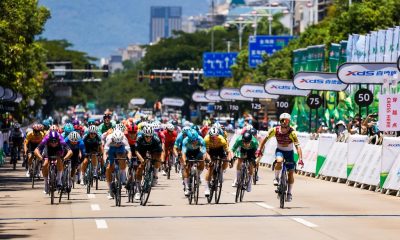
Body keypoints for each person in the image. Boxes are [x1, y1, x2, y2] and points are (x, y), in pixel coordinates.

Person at [258, 113, 303, 202]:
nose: (284, 122)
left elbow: (298, 146)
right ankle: (276, 177)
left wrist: (300, 159)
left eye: (286, 121)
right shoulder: (274, 130)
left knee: (291, 173)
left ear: (289, 122)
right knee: (279, 161)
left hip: (289, 153)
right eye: (283, 120)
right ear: (280, 121)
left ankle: (289, 192)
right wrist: (259, 149)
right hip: (280, 151)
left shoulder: (292, 132)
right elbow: (265, 139)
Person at [134, 125, 162, 200]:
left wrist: (158, 160)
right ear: (144, 135)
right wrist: (141, 159)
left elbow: (160, 152)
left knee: (157, 160)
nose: (148, 138)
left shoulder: (156, 138)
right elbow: (136, 151)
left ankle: (155, 175)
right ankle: (137, 191)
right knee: (140, 168)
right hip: (141, 150)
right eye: (146, 136)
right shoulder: (139, 137)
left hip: (153, 149)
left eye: (150, 136)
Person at [104, 130, 132, 199]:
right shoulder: (109, 139)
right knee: (108, 168)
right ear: (113, 139)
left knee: (122, 159)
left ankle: (122, 175)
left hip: (121, 149)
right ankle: (110, 190)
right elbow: (105, 153)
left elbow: (129, 152)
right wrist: (105, 161)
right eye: (116, 142)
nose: (117, 144)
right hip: (111, 149)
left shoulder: (124, 140)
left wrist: (129, 160)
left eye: (119, 142)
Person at [204, 127, 231, 196]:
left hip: (220, 149)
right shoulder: (206, 139)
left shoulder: (222, 140)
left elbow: (228, 151)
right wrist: (208, 161)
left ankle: (221, 171)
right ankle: (206, 187)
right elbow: (206, 152)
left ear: (218, 136)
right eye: (212, 137)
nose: (213, 139)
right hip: (210, 150)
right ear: (209, 136)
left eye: (215, 137)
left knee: (225, 160)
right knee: (210, 168)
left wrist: (230, 159)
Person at [181, 129, 206, 196]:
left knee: (202, 163)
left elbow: (204, 151)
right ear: (189, 138)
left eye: (195, 140)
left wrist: (204, 160)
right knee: (186, 167)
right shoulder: (185, 140)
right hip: (188, 152)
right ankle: (186, 187)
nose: (194, 141)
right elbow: (183, 152)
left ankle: (198, 175)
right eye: (192, 140)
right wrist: (185, 161)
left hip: (197, 152)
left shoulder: (201, 139)